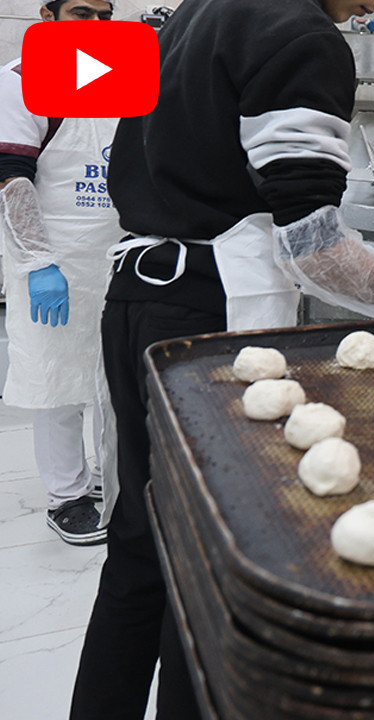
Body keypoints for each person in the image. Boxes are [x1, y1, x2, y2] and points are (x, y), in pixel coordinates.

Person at [70, 0, 374, 716]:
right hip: (211, 320)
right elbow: (318, 249)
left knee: (142, 544)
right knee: (208, 557)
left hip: (141, 299)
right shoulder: (301, 36)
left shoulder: (195, 13)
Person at [0, 0, 118, 546]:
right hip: (53, 253)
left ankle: (104, 479)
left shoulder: (116, 78)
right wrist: (38, 262)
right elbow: (11, 177)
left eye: (104, 14)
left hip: (114, 250)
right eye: (80, 13)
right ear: (48, 16)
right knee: (58, 374)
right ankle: (66, 494)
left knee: (109, 372)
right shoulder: (20, 80)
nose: (94, 26)